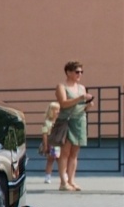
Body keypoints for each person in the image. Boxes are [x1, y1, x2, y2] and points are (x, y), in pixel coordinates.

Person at [53, 61, 94, 192]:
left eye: (81, 72)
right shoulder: (61, 86)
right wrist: (80, 98)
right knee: (65, 152)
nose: (79, 74)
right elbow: (64, 103)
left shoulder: (81, 87)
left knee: (74, 153)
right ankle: (63, 182)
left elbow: (82, 106)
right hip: (67, 121)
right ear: (68, 72)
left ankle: (71, 180)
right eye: (77, 72)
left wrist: (88, 106)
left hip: (80, 120)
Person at [39, 101, 60, 184]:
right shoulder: (47, 122)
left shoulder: (59, 122)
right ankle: (48, 176)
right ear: (51, 111)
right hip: (51, 144)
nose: (58, 111)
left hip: (59, 144)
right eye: (56, 110)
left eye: (59, 109)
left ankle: (63, 175)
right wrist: (45, 145)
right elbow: (44, 134)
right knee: (50, 160)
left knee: (60, 161)